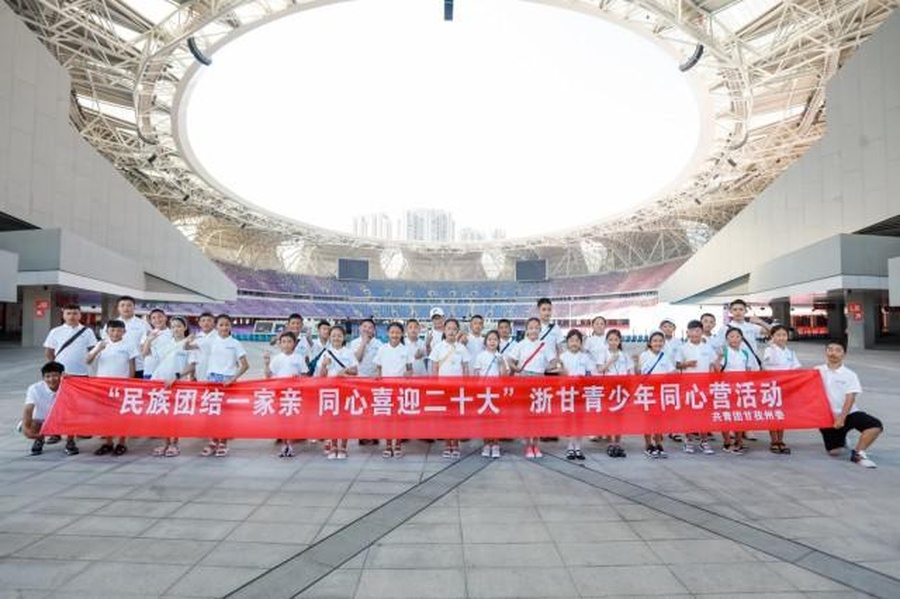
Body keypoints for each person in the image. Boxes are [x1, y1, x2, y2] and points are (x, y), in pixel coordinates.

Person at [816, 341, 882, 468]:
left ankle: (858, 453)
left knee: (875, 426)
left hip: (849, 413)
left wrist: (842, 417)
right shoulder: (817, 371)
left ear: (844, 354)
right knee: (834, 452)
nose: (833, 353)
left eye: (837, 350)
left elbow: (850, 398)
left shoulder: (850, 375)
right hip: (827, 418)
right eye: (830, 349)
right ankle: (842, 438)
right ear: (826, 352)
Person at [508, 317, 560, 459]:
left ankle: (535, 444)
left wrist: (548, 366)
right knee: (527, 414)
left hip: (540, 379)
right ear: (526, 329)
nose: (533, 330)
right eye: (530, 327)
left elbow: (553, 362)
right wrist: (516, 369)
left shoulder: (544, 345)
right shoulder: (521, 344)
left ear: (539, 329)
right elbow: (510, 359)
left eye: (536, 327)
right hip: (524, 379)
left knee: (538, 413)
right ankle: (528, 445)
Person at [87, 319, 138, 456]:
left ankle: (121, 442)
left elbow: (132, 365)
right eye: (112, 330)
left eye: (119, 330)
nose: (115, 333)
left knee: (122, 414)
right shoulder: (102, 344)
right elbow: (87, 360)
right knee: (105, 414)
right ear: (107, 331)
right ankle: (108, 442)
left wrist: (130, 383)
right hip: (103, 385)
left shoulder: (129, 345)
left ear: (124, 332)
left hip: (121, 385)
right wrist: (98, 349)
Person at [201, 314, 249, 458]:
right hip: (212, 379)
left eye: (227, 325)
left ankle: (223, 442)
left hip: (227, 381)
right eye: (221, 325)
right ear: (216, 326)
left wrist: (232, 379)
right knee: (212, 413)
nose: (224, 328)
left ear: (231, 326)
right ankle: (212, 442)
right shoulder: (211, 341)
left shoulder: (235, 343)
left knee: (225, 414)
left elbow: (245, 365)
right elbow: (190, 347)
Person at [150, 316, 196, 458]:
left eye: (179, 326)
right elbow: (152, 357)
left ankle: (174, 444)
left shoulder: (189, 343)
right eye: (173, 326)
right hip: (161, 382)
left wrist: (176, 376)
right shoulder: (167, 344)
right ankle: (165, 443)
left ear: (185, 327)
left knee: (175, 415)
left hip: (177, 384)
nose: (176, 329)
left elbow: (192, 365)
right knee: (162, 414)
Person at [429, 318, 471, 459]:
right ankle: (448, 444)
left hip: (458, 389)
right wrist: (435, 387)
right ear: (444, 331)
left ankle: (456, 444)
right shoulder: (438, 347)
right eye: (449, 329)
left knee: (457, 417)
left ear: (457, 331)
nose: (451, 331)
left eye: (454, 329)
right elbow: (434, 368)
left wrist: (466, 385)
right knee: (446, 417)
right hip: (443, 388)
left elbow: (465, 368)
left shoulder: (462, 348)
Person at [674, 320, 717, 455]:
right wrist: (686, 364)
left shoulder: (707, 347)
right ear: (687, 332)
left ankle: (704, 441)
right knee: (688, 414)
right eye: (691, 331)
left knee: (703, 414)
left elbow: (714, 365)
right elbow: (677, 365)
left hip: (704, 386)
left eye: (698, 331)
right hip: (688, 385)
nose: (695, 333)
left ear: (701, 332)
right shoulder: (682, 348)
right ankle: (688, 440)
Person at [318, 325, 359, 459]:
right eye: (334, 335)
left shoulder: (348, 352)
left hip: (345, 390)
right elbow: (321, 375)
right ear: (329, 337)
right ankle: (333, 445)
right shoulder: (325, 352)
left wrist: (346, 371)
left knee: (344, 418)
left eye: (339, 335)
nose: (336, 338)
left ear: (343, 338)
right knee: (332, 419)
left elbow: (355, 371)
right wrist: (324, 365)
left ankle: (343, 447)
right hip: (330, 391)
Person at [22, 362, 79, 456]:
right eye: (47, 376)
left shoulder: (69, 386)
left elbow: (75, 407)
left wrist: (70, 380)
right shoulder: (34, 388)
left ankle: (70, 442)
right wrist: (26, 430)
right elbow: (28, 409)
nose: (51, 379)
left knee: (72, 418)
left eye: (55, 376)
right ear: (43, 378)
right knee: (33, 422)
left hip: (62, 418)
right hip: (41, 420)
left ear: (62, 375)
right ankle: (39, 439)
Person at [264, 331, 306, 458]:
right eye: (284, 342)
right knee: (282, 419)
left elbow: (304, 375)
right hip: (280, 393)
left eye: (289, 342)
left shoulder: (299, 358)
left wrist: (298, 377)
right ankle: (284, 444)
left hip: (294, 394)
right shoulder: (277, 359)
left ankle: (290, 444)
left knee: (292, 419)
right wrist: (266, 363)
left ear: (294, 344)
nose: (286, 345)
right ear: (280, 344)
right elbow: (268, 375)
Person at [719, 327, 759, 454]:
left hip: (741, 389)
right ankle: (727, 442)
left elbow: (748, 371)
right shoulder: (724, 352)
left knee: (739, 416)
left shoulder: (745, 353)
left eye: (737, 336)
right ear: (727, 339)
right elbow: (716, 369)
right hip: (726, 389)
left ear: (742, 338)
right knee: (726, 416)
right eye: (731, 336)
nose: (735, 339)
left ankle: (739, 441)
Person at [374, 322, 411, 458]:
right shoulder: (382, 349)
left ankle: (398, 445)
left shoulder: (405, 350)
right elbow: (378, 368)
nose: (395, 335)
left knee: (399, 418)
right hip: (386, 390)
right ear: (388, 334)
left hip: (401, 389)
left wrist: (409, 374)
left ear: (402, 334)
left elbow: (410, 369)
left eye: (397, 332)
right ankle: (388, 445)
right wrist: (378, 375)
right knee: (388, 418)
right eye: (392, 332)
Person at [762, 324, 800, 454]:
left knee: (782, 414)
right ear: (772, 337)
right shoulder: (769, 350)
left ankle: (781, 440)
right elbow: (765, 366)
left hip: (786, 387)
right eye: (778, 335)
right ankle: (774, 440)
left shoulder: (791, 352)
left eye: (784, 335)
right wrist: (771, 345)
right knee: (773, 413)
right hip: (772, 386)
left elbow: (795, 369)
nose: (781, 338)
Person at [638, 331, 676, 458]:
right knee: (648, 418)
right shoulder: (644, 355)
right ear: (650, 343)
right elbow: (641, 373)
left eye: (660, 341)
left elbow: (672, 372)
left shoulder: (665, 356)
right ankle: (648, 444)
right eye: (655, 341)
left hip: (661, 391)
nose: (658, 343)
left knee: (659, 419)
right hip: (648, 391)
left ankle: (659, 443)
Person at [559, 329, 595, 460]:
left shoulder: (585, 357)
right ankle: (570, 447)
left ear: (581, 343)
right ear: (567, 342)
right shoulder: (562, 357)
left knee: (580, 420)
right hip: (567, 392)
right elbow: (559, 375)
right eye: (571, 340)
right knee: (569, 420)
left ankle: (578, 447)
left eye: (577, 341)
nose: (574, 343)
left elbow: (592, 373)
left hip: (581, 393)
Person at [473, 329, 508, 459]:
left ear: (499, 342)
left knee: (496, 418)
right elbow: (476, 374)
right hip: (484, 392)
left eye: (495, 339)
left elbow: (504, 376)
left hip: (496, 392)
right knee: (485, 419)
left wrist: (501, 364)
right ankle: (486, 443)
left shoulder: (501, 356)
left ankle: (496, 444)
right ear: (485, 342)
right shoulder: (480, 356)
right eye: (490, 339)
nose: (492, 342)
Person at [600, 329, 631, 458]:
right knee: (609, 415)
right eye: (611, 339)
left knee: (620, 416)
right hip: (609, 387)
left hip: (621, 388)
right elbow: (600, 369)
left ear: (620, 341)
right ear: (607, 341)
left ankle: (617, 443)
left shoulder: (624, 355)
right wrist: (611, 361)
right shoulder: (604, 353)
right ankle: (610, 443)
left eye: (616, 339)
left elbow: (630, 371)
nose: (613, 342)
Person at [43, 303, 97, 378]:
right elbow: (49, 352)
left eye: (75, 313)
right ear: (63, 315)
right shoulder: (55, 331)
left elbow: (93, 351)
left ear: (80, 315)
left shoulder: (88, 331)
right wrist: (56, 368)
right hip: (62, 374)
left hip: (83, 373)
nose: (71, 316)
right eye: (68, 313)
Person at [351, 318, 382, 446]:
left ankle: (374, 434)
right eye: (364, 326)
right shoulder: (354, 343)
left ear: (373, 330)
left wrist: (379, 375)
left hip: (374, 380)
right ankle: (363, 435)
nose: (367, 329)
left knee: (374, 409)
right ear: (360, 328)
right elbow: (356, 359)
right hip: (359, 381)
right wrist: (363, 343)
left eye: (370, 327)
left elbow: (380, 364)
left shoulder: (379, 344)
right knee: (362, 409)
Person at [105, 296, 150, 378]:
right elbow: (106, 345)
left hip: (139, 366)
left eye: (129, 305)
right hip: (117, 367)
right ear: (118, 308)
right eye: (122, 305)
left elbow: (148, 344)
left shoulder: (143, 324)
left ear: (134, 307)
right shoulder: (110, 325)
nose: (126, 308)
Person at [140, 308, 171, 380]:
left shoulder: (172, 333)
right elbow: (144, 353)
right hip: (150, 370)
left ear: (165, 318)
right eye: (153, 318)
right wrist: (149, 340)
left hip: (167, 371)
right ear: (150, 321)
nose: (157, 320)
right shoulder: (147, 334)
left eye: (160, 316)